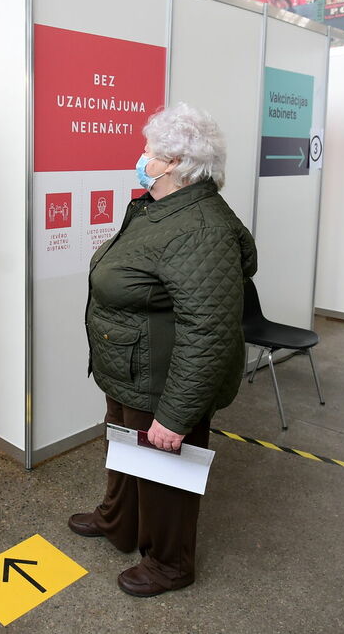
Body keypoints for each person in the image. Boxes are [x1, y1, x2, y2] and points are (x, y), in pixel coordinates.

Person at [68, 103, 257, 598]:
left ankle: (170, 563)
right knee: (125, 449)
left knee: (165, 474)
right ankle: (119, 522)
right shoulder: (160, 208)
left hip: (163, 380)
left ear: (173, 161)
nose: (141, 157)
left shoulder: (199, 228)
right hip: (131, 368)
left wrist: (175, 416)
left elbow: (209, 331)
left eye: (148, 150)